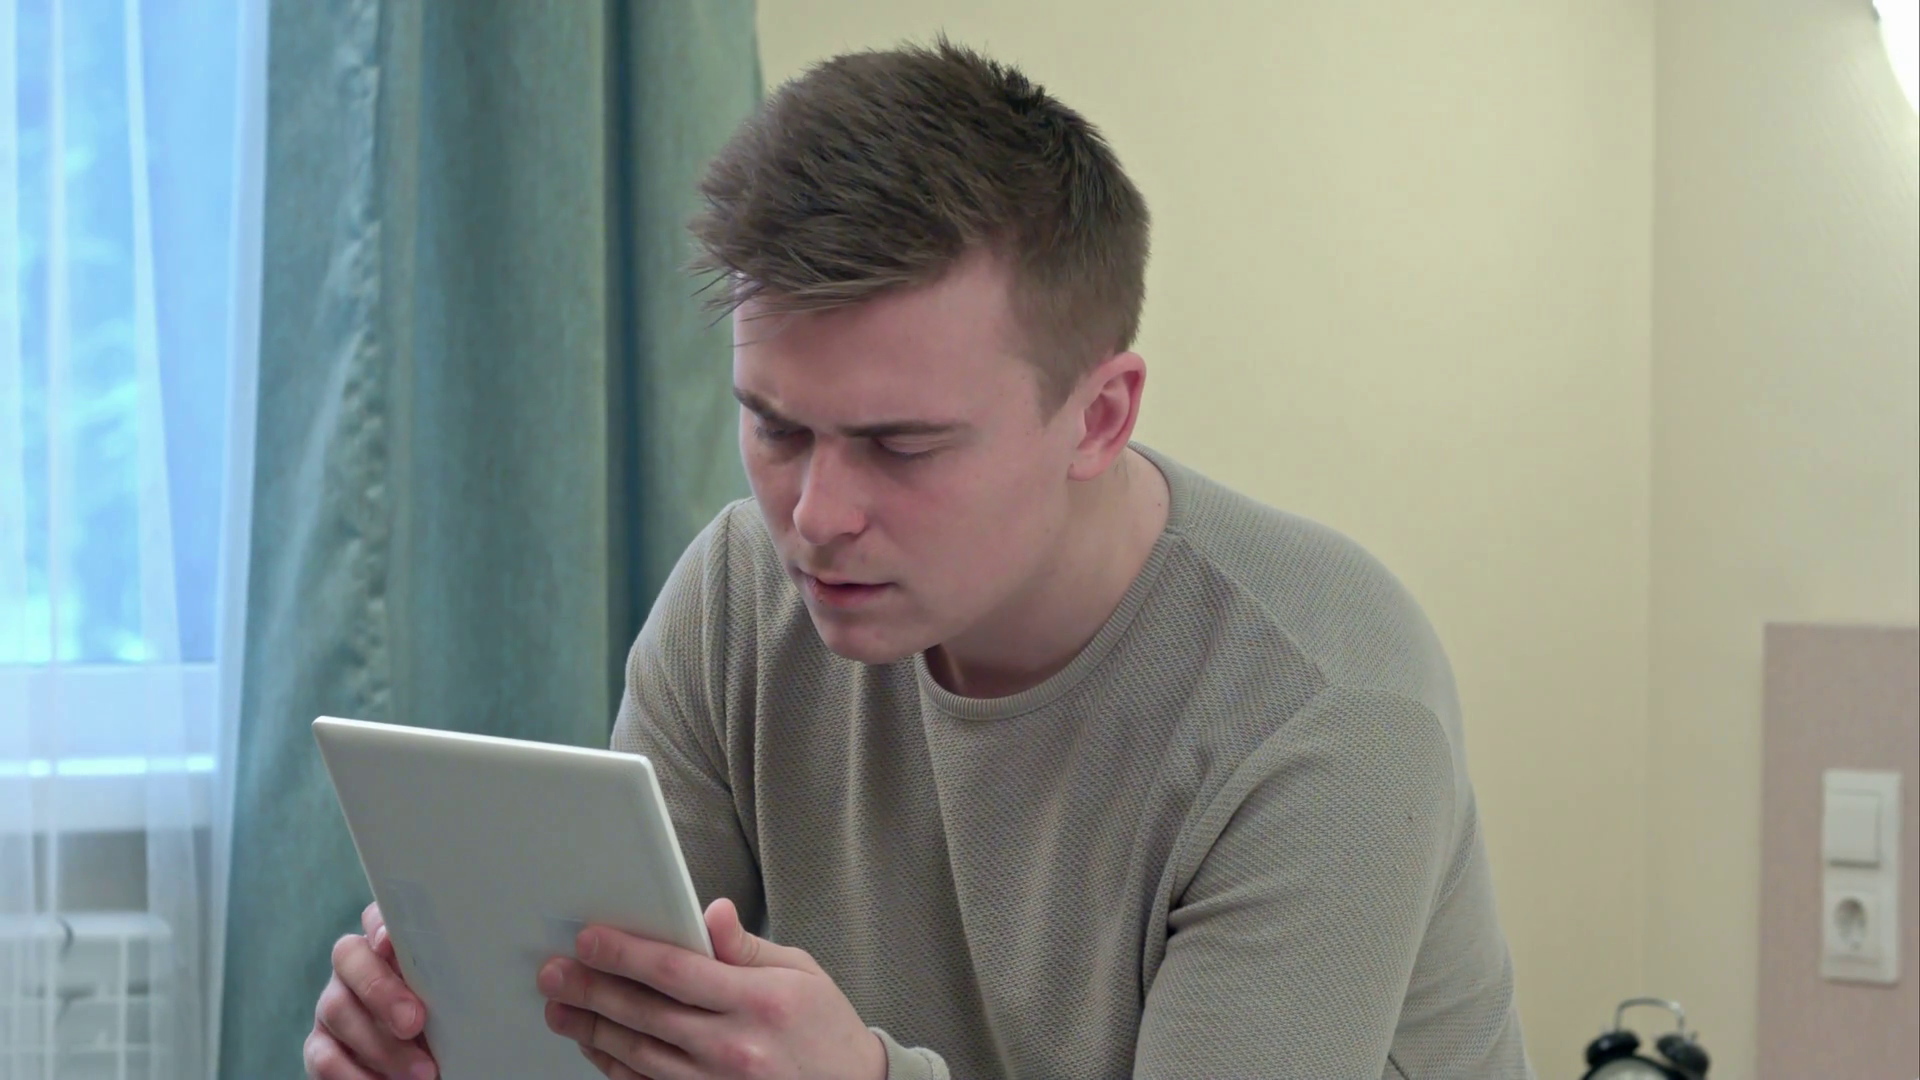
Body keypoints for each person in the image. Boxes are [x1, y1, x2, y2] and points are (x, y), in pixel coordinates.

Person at [305, 39, 1532, 1080]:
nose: (816, 515)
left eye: (901, 446)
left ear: (1100, 417)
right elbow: (620, 1039)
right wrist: (456, 1047)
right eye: (775, 427)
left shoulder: (1320, 702)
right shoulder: (739, 597)